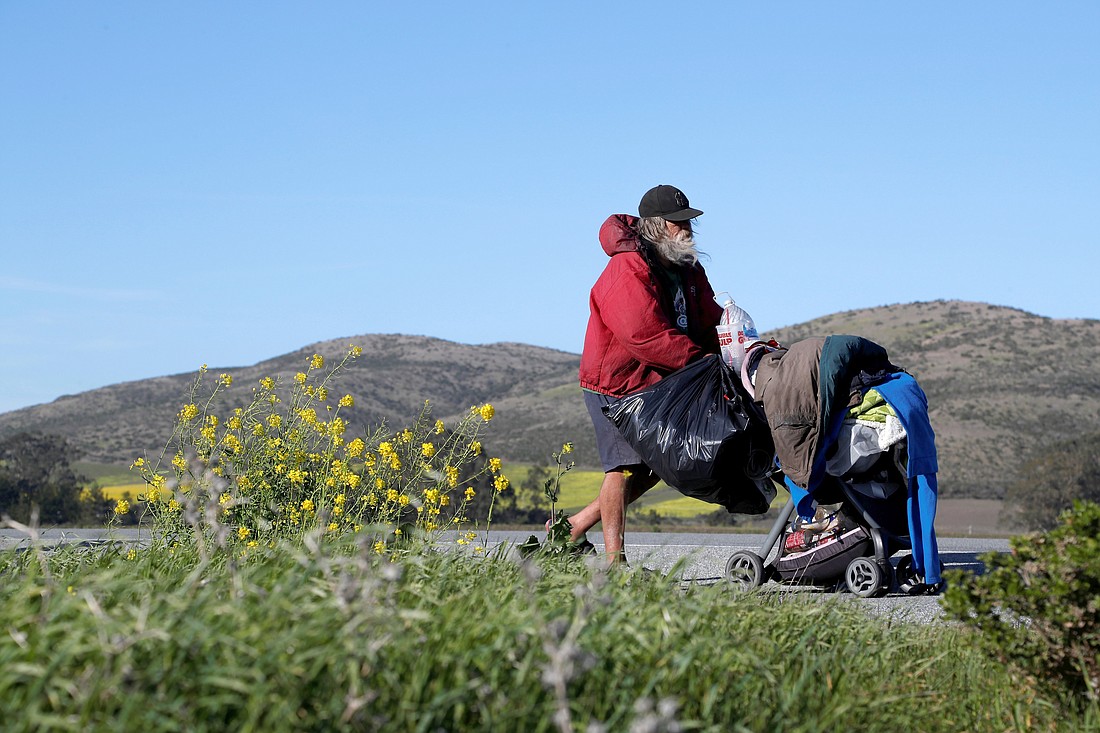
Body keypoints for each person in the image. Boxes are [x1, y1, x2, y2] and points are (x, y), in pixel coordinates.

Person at [567, 184, 724, 563]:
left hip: (654, 381)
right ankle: (614, 563)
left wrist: (736, 346)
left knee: (656, 465)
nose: (687, 229)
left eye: (689, 222)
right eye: (678, 223)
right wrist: (701, 363)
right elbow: (645, 336)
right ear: (656, 226)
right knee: (621, 468)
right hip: (615, 383)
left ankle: (572, 527)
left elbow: (709, 319)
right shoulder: (627, 268)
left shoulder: (687, 267)